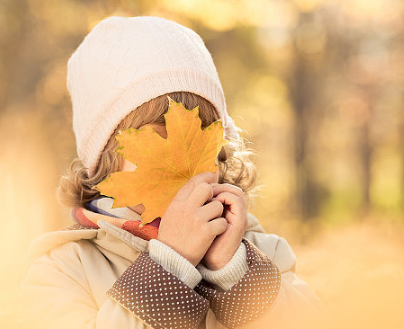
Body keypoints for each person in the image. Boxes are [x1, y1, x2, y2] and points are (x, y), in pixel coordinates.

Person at [21, 16, 323, 329]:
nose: (182, 161)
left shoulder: (259, 251)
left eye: (199, 136)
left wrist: (236, 275)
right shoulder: (64, 269)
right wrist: (170, 268)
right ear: (107, 159)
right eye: (159, 137)